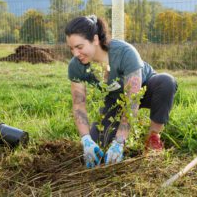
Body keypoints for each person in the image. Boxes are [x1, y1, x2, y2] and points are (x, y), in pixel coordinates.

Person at [65, 15, 178, 168]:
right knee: (100, 142)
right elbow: (79, 105)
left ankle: (153, 137)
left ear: (95, 39)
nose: (75, 53)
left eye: (79, 47)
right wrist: (86, 139)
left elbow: (132, 101)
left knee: (166, 82)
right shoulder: (76, 65)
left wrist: (119, 141)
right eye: (71, 48)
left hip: (144, 90)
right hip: (115, 100)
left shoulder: (125, 53)